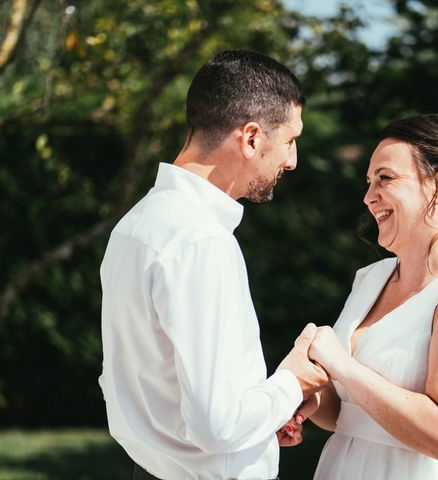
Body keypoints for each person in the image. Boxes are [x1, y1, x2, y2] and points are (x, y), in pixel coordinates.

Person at [98, 49, 328, 480]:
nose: (292, 160)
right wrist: (292, 381)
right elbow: (217, 425)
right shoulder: (200, 240)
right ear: (252, 137)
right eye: (291, 140)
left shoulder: (135, 225)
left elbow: (149, 389)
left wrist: (262, 415)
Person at [302, 113, 438, 479]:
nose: (368, 198)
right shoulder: (371, 279)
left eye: (385, 179)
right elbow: (342, 413)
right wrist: (306, 399)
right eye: (368, 182)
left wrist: (343, 366)